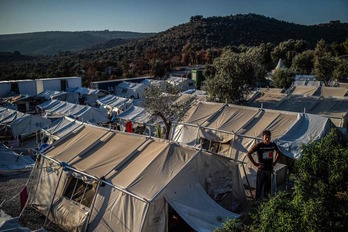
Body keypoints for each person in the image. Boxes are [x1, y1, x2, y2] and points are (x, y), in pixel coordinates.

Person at [246, 130, 281, 200]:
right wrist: (255, 163)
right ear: (263, 137)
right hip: (261, 170)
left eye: (269, 137)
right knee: (259, 187)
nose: (267, 139)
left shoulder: (272, 145)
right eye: (266, 137)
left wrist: (275, 162)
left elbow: (279, 152)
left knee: (268, 187)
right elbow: (248, 153)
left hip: (269, 169)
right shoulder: (259, 145)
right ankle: (257, 202)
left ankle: (265, 202)